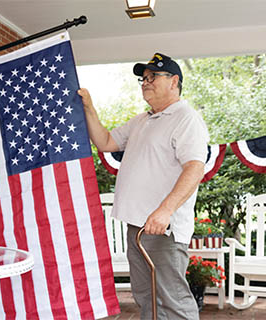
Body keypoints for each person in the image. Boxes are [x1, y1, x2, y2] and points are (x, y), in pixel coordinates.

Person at [78, 53, 209, 319]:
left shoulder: (186, 118)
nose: (145, 82)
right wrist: (88, 108)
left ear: (174, 82)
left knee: (171, 299)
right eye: (143, 78)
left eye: (153, 77)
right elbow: (105, 142)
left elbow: (195, 168)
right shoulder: (142, 120)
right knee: (146, 296)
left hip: (163, 228)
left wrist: (165, 210)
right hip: (137, 224)